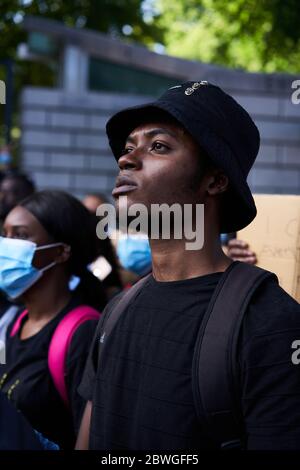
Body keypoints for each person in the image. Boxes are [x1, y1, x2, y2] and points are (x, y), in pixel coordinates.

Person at [76, 81, 300, 451]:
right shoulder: (116, 311)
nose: (125, 159)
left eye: (159, 146)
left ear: (214, 181)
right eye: (128, 147)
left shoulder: (272, 324)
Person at [0, 190, 106, 449]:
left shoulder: (82, 333)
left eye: (21, 235)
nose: (6, 245)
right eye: (5, 234)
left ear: (61, 252)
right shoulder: (15, 322)